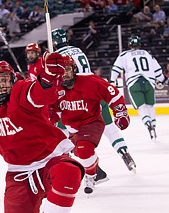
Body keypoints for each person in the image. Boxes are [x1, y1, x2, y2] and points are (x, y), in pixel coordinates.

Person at [0, 58, 85, 213]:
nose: (0, 85)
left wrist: (46, 79)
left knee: (68, 172)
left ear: (12, 80)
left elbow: (39, 94)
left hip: (50, 160)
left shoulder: (19, 91)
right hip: (18, 173)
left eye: (4, 80)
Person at [51, 28, 136, 173]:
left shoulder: (56, 57)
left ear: (53, 42)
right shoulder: (77, 50)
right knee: (109, 127)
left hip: (74, 94)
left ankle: (87, 163)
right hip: (94, 90)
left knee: (67, 130)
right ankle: (124, 152)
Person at [50, 55, 130, 194]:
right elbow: (54, 111)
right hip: (72, 128)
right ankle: (97, 173)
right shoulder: (55, 88)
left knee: (83, 149)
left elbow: (112, 92)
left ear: (74, 70)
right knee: (68, 152)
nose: (64, 73)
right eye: (61, 70)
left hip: (91, 121)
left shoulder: (89, 81)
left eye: (67, 69)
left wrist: (120, 111)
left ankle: (90, 175)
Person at [110, 36, 168, 140]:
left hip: (134, 83)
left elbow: (116, 68)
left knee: (141, 107)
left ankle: (147, 123)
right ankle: (154, 125)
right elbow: (158, 70)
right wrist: (163, 79)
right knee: (150, 106)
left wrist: (112, 81)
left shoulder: (124, 55)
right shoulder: (147, 54)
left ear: (129, 45)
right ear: (140, 44)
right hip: (149, 82)